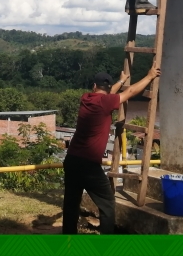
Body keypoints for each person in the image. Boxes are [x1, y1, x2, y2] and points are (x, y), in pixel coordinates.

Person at [62, 65, 161, 235]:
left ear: (94, 86)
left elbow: (110, 93)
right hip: (88, 165)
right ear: (107, 90)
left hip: (71, 160)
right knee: (107, 203)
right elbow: (129, 93)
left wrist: (121, 81)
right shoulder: (106, 102)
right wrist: (149, 76)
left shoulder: (86, 98)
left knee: (71, 203)